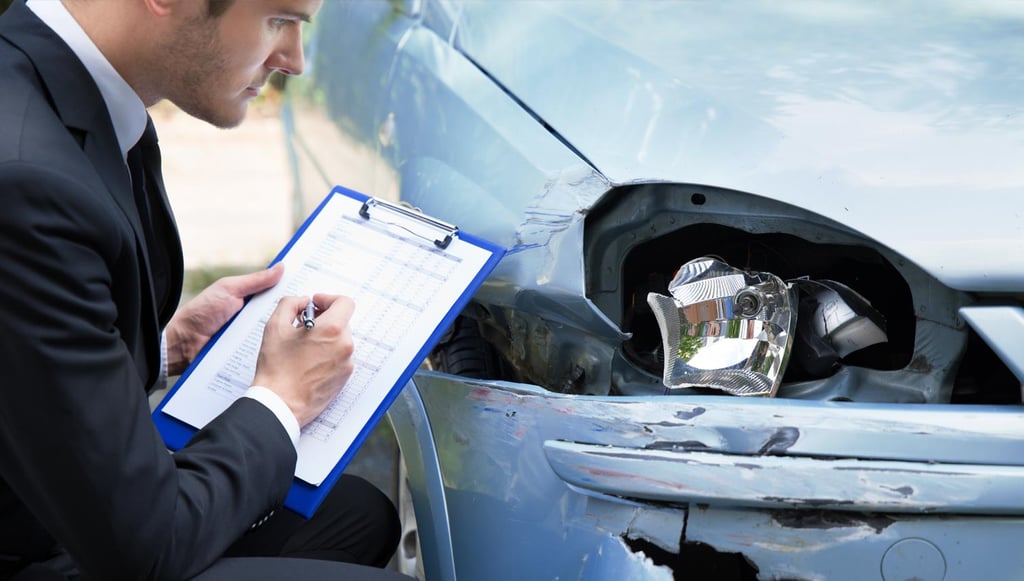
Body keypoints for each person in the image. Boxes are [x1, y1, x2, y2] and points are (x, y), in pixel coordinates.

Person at [0, 0, 407, 579]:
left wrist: (168, 344)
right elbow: (147, 546)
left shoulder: (52, 87)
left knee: (358, 515)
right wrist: (283, 398)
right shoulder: (26, 180)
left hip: (44, 507)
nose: (294, 61)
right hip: (43, 547)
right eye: (278, 20)